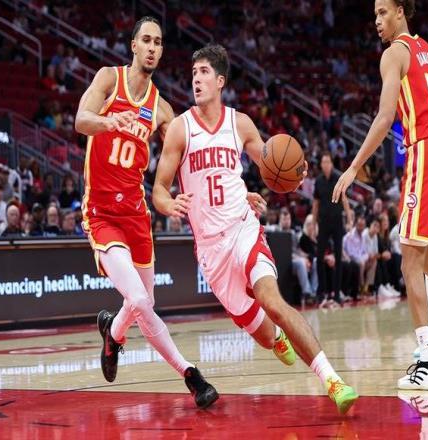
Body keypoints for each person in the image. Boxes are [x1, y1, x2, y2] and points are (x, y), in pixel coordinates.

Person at [153, 43, 358, 415]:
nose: (196, 79)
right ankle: (276, 337)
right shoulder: (181, 129)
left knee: (273, 302)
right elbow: (158, 190)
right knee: (264, 334)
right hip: (211, 250)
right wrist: (170, 204)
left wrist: (294, 173)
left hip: (242, 228)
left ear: (220, 81)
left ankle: (333, 380)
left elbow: (270, 164)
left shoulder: (240, 123)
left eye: (203, 72)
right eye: (193, 72)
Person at [74, 16, 218, 409]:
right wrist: (108, 121)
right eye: (147, 40)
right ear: (134, 45)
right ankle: (191, 375)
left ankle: (113, 332)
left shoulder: (161, 109)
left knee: (144, 302)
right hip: (102, 211)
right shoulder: (109, 79)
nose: (153, 47)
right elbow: (81, 120)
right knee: (137, 298)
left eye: (158, 42)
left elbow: (186, 155)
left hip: (137, 215)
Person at [333, 0, 428, 390]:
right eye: (374, 14)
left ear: (401, 11)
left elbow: (384, 117)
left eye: (383, 12)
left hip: (426, 150)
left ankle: (427, 364)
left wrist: (353, 167)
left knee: (408, 262)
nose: (376, 20)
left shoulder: (395, 52)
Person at [313, 151, 353, 305]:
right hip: (323, 222)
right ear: (321, 164)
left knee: (338, 257)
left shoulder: (338, 178)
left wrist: (349, 219)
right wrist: (313, 224)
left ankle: (337, 294)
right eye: (323, 162)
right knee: (319, 257)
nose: (326, 165)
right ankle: (321, 293)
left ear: (331, 164)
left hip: (337, 222)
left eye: (328, 162)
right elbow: (315, 203)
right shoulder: (318, 181)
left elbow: (344, 199)